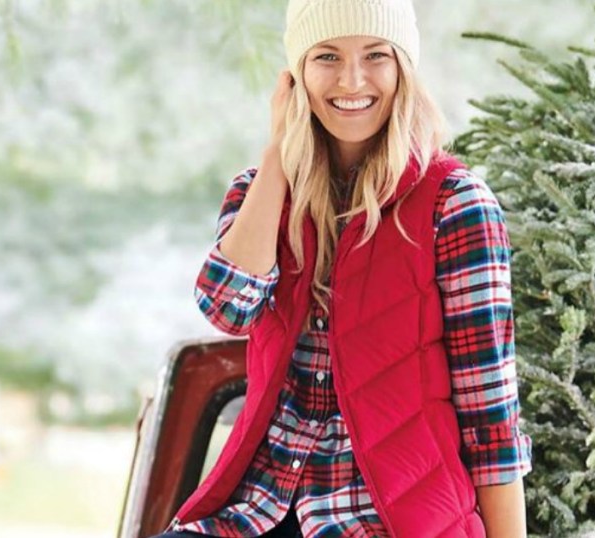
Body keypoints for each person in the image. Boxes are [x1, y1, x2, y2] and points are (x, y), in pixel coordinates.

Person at [152, 0, 531, 536]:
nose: (352, 80)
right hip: (257, 508)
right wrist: (281, 152)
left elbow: (489, 409)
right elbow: (227, 308)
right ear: (297, 73)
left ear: (403, 66)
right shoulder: (261, 190)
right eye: (327, 56)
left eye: (375, 55)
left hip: (386, 517)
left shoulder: (455, 204)